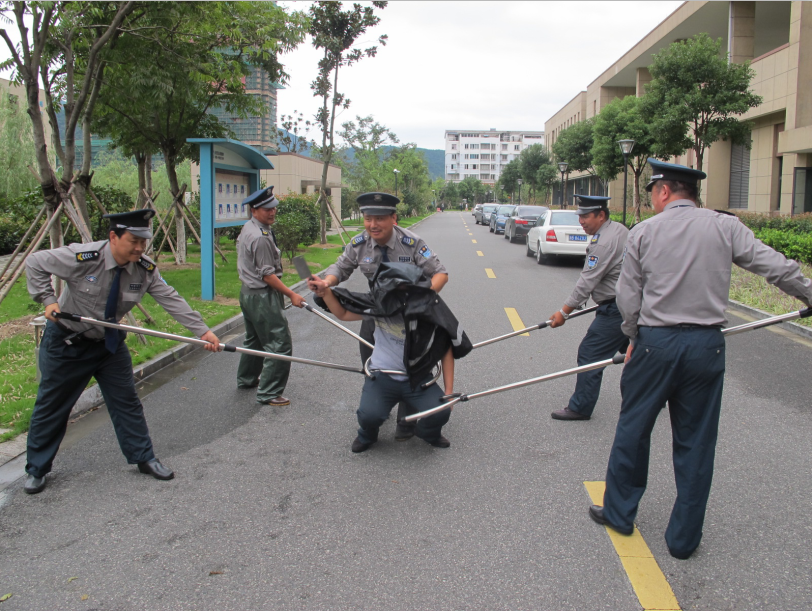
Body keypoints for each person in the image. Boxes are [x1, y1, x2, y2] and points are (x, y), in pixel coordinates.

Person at [589, 159, 812, 559]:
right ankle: (683, 540)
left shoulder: (645, 231)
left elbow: (627, 297)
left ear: (663, 191)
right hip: (706, 347)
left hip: (654, 345)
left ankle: (620, 514)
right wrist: (808, 293)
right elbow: (774, 265)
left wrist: (633, 335)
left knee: (634, 430)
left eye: (653, 192)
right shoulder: (725, 227)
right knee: (695, 443)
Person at [23, 210, 221, 494]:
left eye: (144, 241)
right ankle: (37, 469)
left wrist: (203, 331)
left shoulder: (144, 269)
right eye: (134, 241)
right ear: (113, 237)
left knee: (126, 401)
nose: (140, 248)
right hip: (68, 342)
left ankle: (144, 458)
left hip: (108, 344)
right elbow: (35, 262)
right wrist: (48, 299)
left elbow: (171, 299)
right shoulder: (83, 257)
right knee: (52, 406)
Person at [308, 192, 448, 440]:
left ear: (393, 218)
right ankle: (373, 413)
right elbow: (341, 268)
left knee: (410, 365)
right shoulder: (359, 243)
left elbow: (440, 274)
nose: (373, 225)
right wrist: (325, 283)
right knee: (372, 366)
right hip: (377, 309)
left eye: (380, 219)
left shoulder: (413, 243)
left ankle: (407, 420)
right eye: (368, 218)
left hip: (410, 311)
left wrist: (422, 297)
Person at [313, 262, 469, 453]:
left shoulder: (430, 314)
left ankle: (429, 433)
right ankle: (367, 435)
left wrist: (449, 391)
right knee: (369, 415)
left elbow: (446, 352)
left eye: (407, 291)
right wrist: (325, 292)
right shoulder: (380, 308)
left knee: (440, 411)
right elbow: (343, 313)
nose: (401, 297)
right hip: (382, 378)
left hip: (418, 378)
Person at [548, 195, 629, 421]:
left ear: (601, 215)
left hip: (616, 308)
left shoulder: (602, 242)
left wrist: (564, 312)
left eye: (585, 216)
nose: (581, 221)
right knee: (638, 352)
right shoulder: (619, 229)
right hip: (630, 303)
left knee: (590, 353)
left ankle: (581, 407)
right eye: (580, 216)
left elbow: (586, 282)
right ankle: (654, 395)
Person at [236, 187, 305, 406]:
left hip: (247, 294)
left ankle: (246, 378)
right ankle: (269, 392)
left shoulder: (250, 227)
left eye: (274, 207)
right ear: (254, 210)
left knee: (255, 339)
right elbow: (267, 275)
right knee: (279, 342)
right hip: (262, 296)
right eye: (267, 209)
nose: (272, 212)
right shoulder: (260, 237)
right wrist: (292, 294)